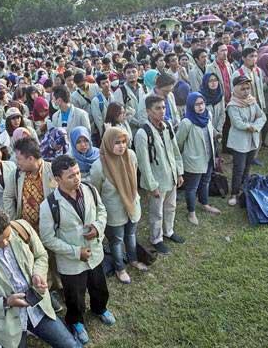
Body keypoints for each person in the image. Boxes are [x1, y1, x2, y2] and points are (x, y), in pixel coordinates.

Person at [0, 205, 81, 348]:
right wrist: (6, 302)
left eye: (7, 237)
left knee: (70, 345)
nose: (5, 243)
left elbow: (41, 256)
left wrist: (38, 273)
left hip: (39, 308)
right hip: (7, 324)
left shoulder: (22, 228)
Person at [38, 155, 113, 345]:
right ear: (57, 179)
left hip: (95, 252)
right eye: (71, 176)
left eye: (78, 173)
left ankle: (100, 308)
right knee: (75, 296)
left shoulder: (89, 189)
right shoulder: (49, 205)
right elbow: (47, 238)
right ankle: (77, 322)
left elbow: (102, 211)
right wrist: (75, 252)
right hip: (71, 262)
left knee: (99, 286)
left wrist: (97, 227)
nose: (77, 178)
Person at [90, 127, 146, 284]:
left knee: (131, 234)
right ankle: (120, 268)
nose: (121, 146)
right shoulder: (99, 166)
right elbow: (96, 193)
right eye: (116, 142)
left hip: (132, 205)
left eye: (123, 142)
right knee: (116, 240)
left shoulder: (131, 156)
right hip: (114, 211)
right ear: (107, 143)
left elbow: (133, 179)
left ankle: (133, 259)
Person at [135, 95, 185, 254]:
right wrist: (152, 185)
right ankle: (156, 238)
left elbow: (175, 151)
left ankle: (168, 231)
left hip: (170, 175)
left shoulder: (167, 126)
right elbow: (143, 163)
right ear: (149, 111)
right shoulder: (143, 133)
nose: (162, 111)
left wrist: (179, 172)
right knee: (157, 211)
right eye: (158, 108)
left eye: (163, 107)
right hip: (157, 180)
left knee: (171, 206)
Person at [176, 92, 220, 225]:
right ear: (190, 105)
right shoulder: (187, 122)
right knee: (192, 188)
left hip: (208, 156)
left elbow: (210, 131)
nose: (200, 107)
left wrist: (216, 134)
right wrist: (187, 156)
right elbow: (178, 143)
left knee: (205, 182)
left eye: (202, 103)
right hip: (194, 160)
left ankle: (205, 203)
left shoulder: (207, 115)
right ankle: (191, 212)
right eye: (197, 104)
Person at [227, 75, 267, 205]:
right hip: (240, 141)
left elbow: (262, 116)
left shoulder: (252, 101)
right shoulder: (233, 105)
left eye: (248, 88)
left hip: (252, 139)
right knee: (239, 168)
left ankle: (244, 188)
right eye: (243, 89)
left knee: (248, 166)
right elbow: (238, 123)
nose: (246, 92)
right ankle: (234, 193)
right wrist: (251, 126)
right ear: (236, 89)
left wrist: (255, 127)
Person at [113, 62, 148, 134]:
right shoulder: (120, 92)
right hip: (130, 130)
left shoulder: (145, 88)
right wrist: (138, 123)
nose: (131, 74)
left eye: (134, 72)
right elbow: (119, 113)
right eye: (128, 72)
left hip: (146, 127)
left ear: (138, 73)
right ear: (124, 75)